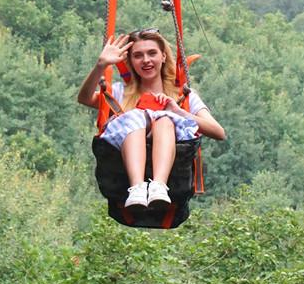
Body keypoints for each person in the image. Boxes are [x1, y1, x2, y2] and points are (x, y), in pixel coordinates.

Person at [78, 29, 225, 210]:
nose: (146, 60)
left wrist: (178, 111)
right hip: (125, 161)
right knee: (136, 117)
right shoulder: (120, 92)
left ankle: (158, 185)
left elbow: (218, 132)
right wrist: (100, 65)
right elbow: (85, 98)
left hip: (171, 159)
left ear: (163, 57)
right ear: (131, 61)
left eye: (152, 53)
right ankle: (137, 186)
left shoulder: (181, 95)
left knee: (164, 120)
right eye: (138, 56)